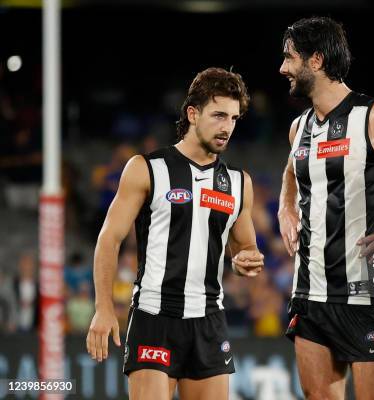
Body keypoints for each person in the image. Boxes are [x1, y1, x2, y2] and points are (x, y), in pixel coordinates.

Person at [86, 67, 264, 400]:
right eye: (219, 115)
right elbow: (109, 238)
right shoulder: (147, 169)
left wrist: (247, 259)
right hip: (155, 317)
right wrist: (104, 307)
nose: (227, 127)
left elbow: (244, 246)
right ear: (192, 113)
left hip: (210, 320)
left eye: (234, 118)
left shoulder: (240, 183)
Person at [277, 16, 374, 400]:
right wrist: (285, 208)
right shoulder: (298, 127)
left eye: (290, 58)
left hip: (363, 295)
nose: (283, 68)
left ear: (316, 60)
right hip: (309, 294)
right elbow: (291, 169)